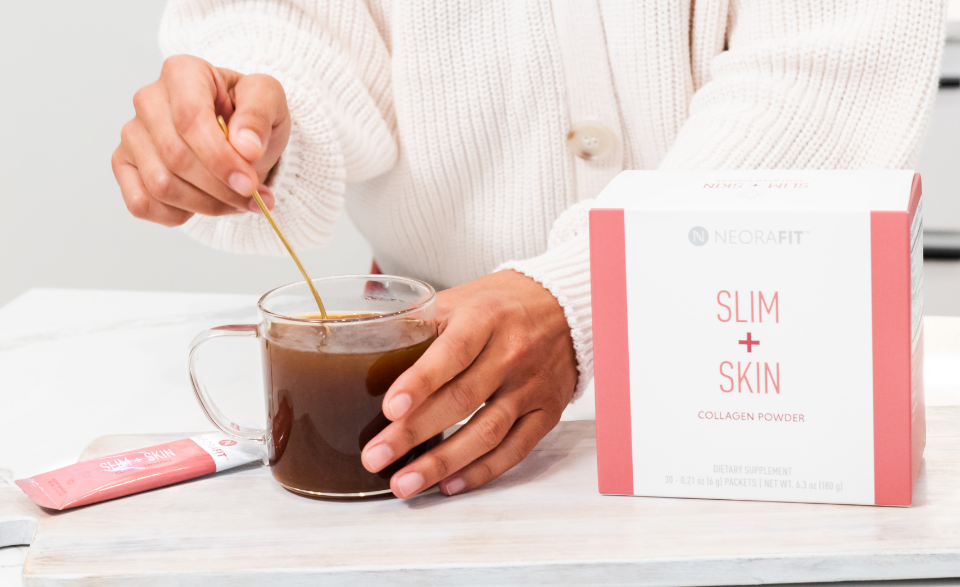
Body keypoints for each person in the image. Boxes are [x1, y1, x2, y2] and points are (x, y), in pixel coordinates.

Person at [112, 0, 945, 499]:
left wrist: (587, 297)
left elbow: (825, 67)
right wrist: (252, 120)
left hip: (770, 387)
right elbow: (296, 27)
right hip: (438, 412)